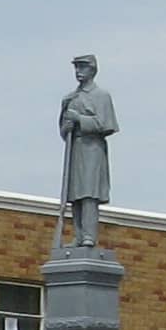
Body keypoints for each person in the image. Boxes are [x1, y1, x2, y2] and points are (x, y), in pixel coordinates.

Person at [59, 53, 117, 248]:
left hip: (92, 149)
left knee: (88, 193)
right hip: (75, 147)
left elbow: (105, 124)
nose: (78, 72)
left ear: (92, 69)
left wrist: (79, 119)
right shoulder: (70, 98)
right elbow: (63, 128)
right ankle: (78, 234)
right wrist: (66, 127)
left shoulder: (102, 96)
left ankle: (89, 235)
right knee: (74, 194)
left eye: (82, 67)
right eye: (76, 68)